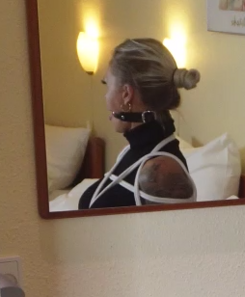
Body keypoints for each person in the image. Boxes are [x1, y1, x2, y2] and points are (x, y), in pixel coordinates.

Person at [79, 39, 199, 209]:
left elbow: (173, 226)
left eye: (107, 85)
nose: (105, 97)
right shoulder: (135, 152)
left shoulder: (160, 169)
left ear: (126, 94)